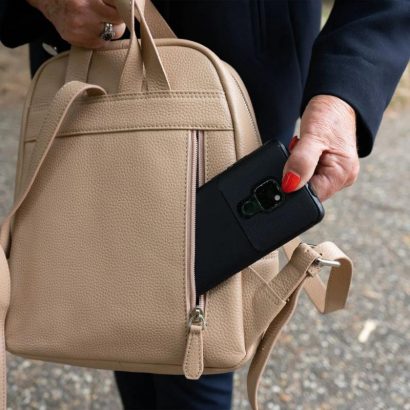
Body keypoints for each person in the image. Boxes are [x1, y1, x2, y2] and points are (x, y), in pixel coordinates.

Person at [1, 0, 409, 409]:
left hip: (241, 66)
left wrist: (345, 92)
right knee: (116, 289)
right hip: (83, 53)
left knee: (201, 334)